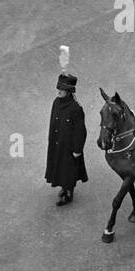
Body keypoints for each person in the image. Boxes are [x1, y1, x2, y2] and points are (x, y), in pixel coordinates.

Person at [45, 71, 87, 206]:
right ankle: (64, 188)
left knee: (69, 171)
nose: (59, 91)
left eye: (62, 89)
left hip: (69, 147)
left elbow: (80, 131)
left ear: (69, 92)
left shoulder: (76, 108)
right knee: (60, 168)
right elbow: (53, 122)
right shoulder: (56, 102)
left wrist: (77, 149)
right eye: (59, 88)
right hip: (58, 144)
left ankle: (69, 193)